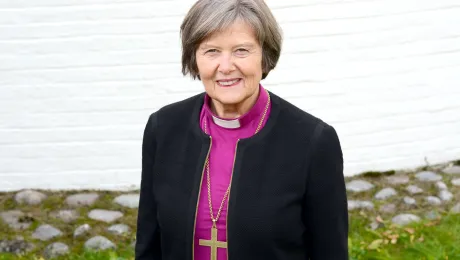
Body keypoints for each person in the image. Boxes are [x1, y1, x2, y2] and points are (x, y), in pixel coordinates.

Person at [135, 0, 348, 259]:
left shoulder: (312, 142)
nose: (225, 66)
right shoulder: (164, 128)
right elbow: (149, 244)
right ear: (195, 58)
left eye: (241, 50)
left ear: (264, 55)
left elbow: (331, 252)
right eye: (211, 50)